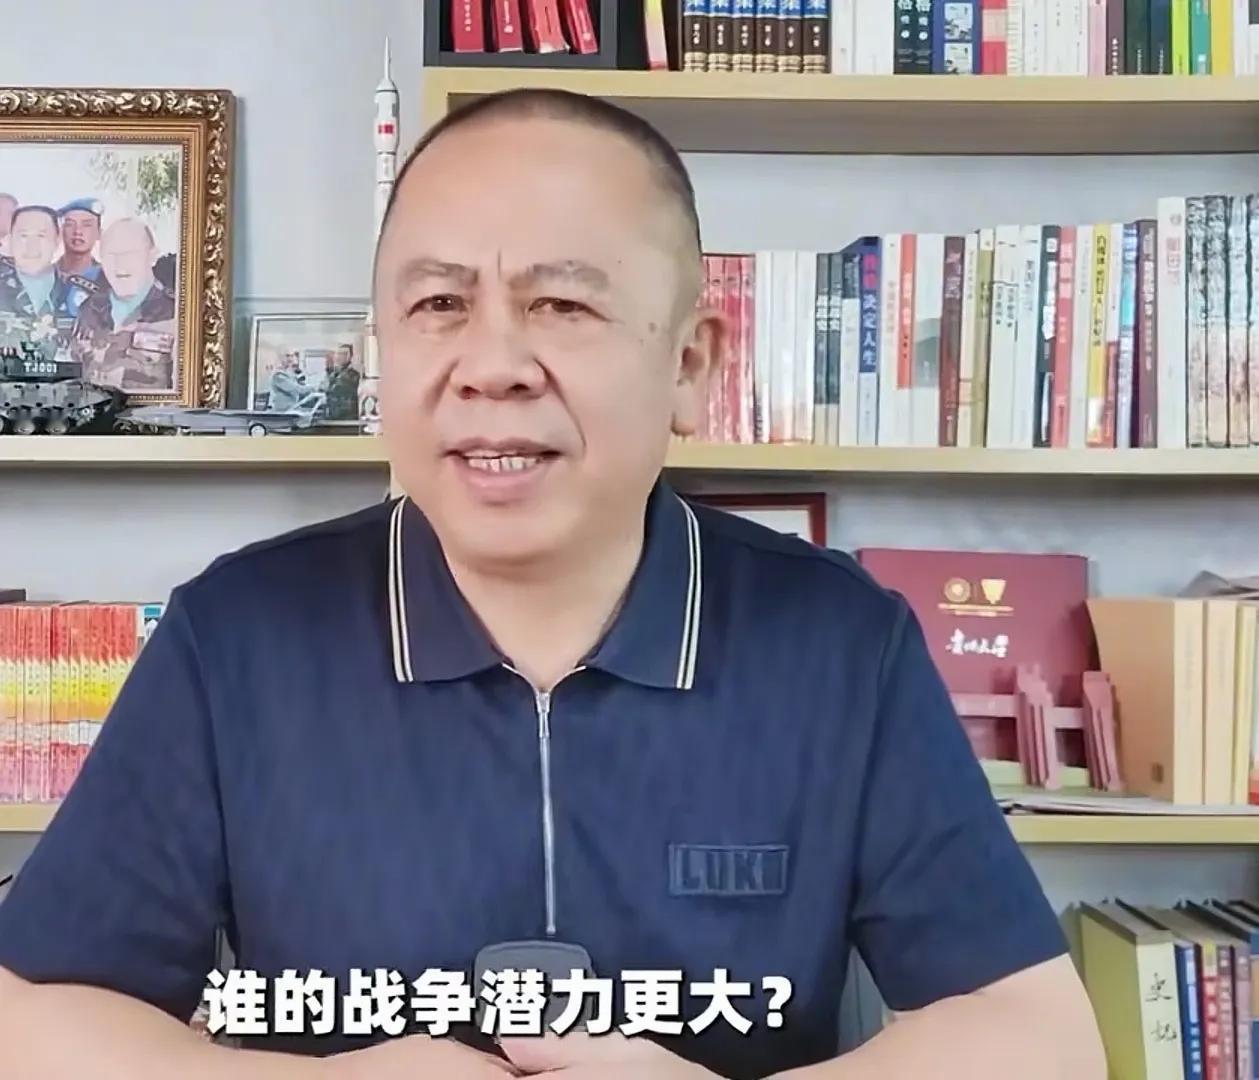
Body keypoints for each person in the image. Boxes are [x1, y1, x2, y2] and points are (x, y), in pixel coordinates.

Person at [0, 89, 1106, 1080]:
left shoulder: (839, 642)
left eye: (562, 307)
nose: (491, 366)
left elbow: (1031, 1034)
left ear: (689, 365)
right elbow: (34, 1016)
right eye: (438, 306)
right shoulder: (237, 637)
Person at [70, 217, 177, 391]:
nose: (120, 264)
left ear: (152, 256)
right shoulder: (89, 309)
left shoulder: (176, 312)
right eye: (111, 255)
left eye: (130, 254)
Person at [0, 205, 71, 331]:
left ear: (58, 240)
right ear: (10, 239)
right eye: (23, 235)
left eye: (41, 236)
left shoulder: (81, 295)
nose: (32, 246)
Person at [56, 197, 106, 317]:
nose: (78, 231)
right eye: (70, 224)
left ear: (99, 233)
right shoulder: (46, 276)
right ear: (61, 231)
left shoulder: (107, 281)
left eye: (87, 225)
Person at [323, 341, 361, 420]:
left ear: (349, 356)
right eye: (338, 353)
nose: (338, 356)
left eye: (342, 354)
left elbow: (334, 389)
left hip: (347, 417)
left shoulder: (353, 375)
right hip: (334, 415)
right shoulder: (335, 373)